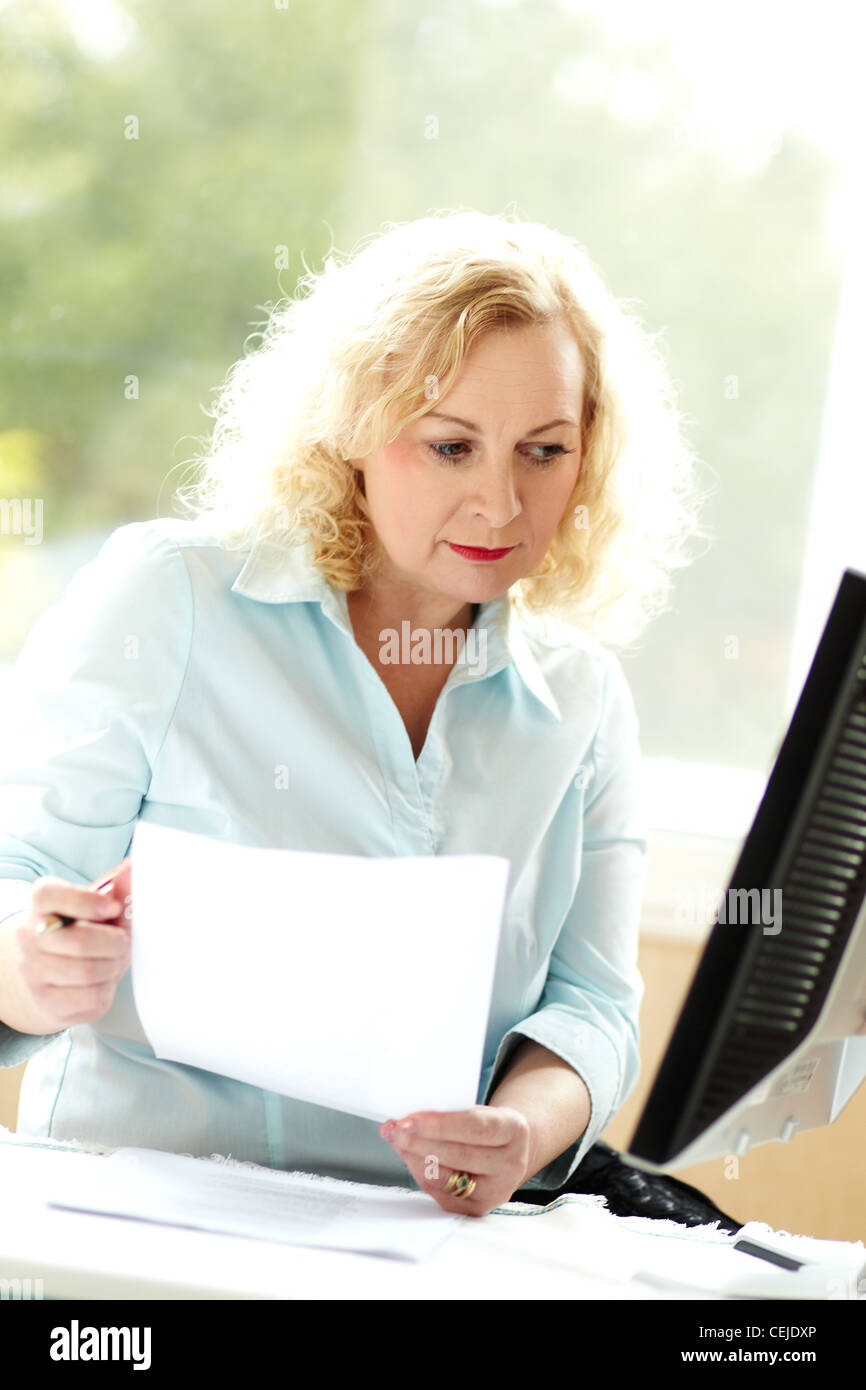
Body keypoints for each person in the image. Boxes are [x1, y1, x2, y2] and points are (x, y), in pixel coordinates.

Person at [0, 209, 737, 1228]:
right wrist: (33, 965)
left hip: (417, 1244)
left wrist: (519, 1131)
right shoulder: (168, 599)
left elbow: (592, 1007)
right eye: (448, 446)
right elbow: (17, 880)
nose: (498, 503)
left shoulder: (579, 699)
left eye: (541, 450)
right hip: (139, 1222)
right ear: (352, 427)